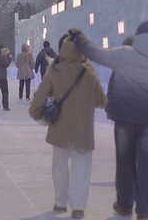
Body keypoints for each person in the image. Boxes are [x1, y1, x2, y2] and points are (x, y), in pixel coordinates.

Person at [69, 19, 148, 220]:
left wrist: (80, 39)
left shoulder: (123, 54)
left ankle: (124, 205)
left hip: (125, 119)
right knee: (147, 168)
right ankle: (145, 212)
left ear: (138, 34)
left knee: (125, 162)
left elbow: (95, 53)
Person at [29, 34, 107, 220]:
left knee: (59, 166)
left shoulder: (55, 69)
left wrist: (36, 112)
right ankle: (78, 207)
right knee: (82, 168)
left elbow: (40, 96)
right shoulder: (89, 71)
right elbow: (101, 100)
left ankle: (60, 202)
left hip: (60, 127)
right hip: (83, 129)